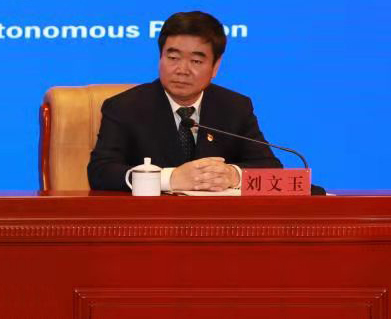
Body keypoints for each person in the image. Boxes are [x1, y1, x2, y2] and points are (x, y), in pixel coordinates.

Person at [88, 11, 282, 192]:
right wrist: (169, 178)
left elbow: (271, 169)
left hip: (214, 216)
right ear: (160, 57)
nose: (182, 70)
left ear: (216, 66)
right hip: (150, 215)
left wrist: (233, 175)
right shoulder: (125, 107)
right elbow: (100, 172)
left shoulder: (234, 107)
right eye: (173, 57)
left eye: (196, 61)